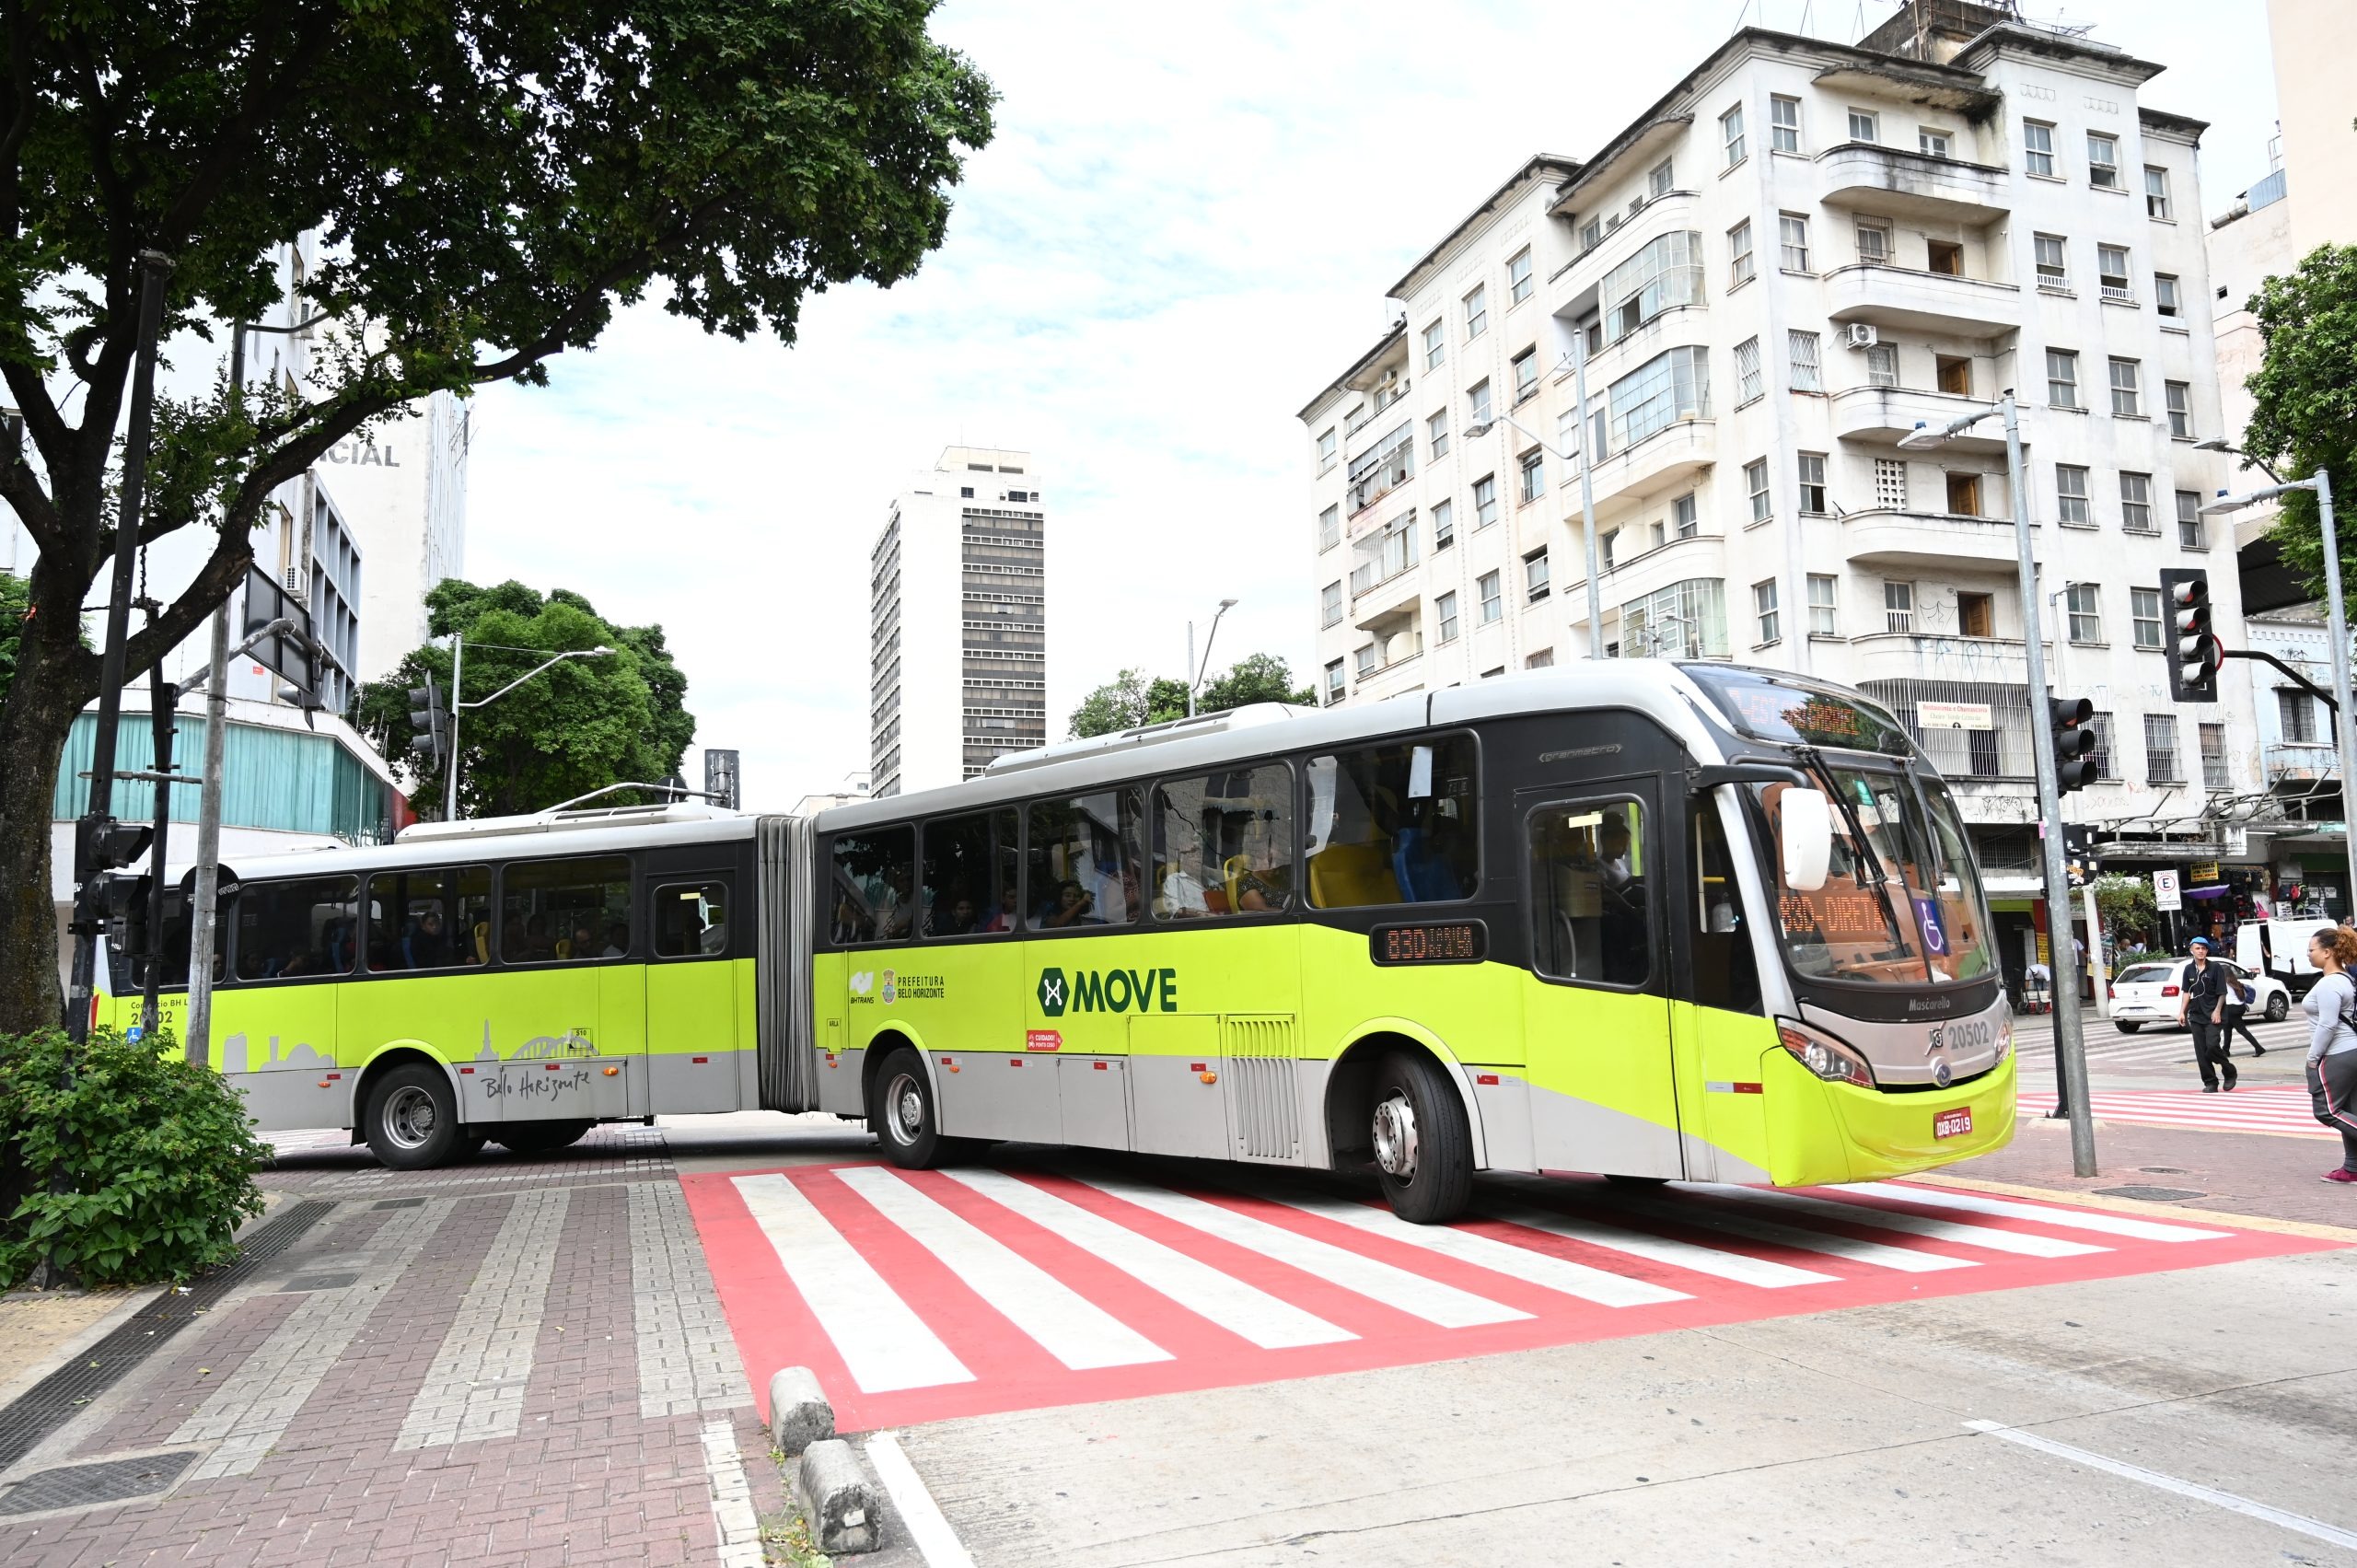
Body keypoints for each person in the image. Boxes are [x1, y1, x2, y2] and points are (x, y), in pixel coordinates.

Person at [2303, 926, 2357, 1184]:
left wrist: (2313, 1058)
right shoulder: (2347, 979)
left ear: (2327, 952)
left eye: (2311, 950)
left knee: (2326, 1110)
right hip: (2352, 1051)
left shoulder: (2329, 984)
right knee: (2349, 1110)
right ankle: (2352, 1168)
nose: (2308, 954)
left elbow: (2327, 1025)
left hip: (2337, 1053)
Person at [2176, 936, 2235, 1093]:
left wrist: (2217, 1011)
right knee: (2201, 1052)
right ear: (2191, 950)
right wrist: (2182, 1012)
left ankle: (2229, 1070)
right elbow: (2187, 992)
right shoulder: (2188, 970)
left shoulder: (2215, 968)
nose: (2201, 951)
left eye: (2204, 948)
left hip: (2215, 1014)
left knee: (2212, 1046)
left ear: (2207, 950)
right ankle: (2210, 1082)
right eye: (2198, 948)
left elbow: (2222, 992)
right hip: (2196, 1015)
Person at [2218, 967, 2266, 1058]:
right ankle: (2226, 1050)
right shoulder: (2235, 982)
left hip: (2231, 1008)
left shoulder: (2224, 983)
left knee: (2241, 1030)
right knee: (2227, 1028)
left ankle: (2259, 1048)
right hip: (2239, 1007)